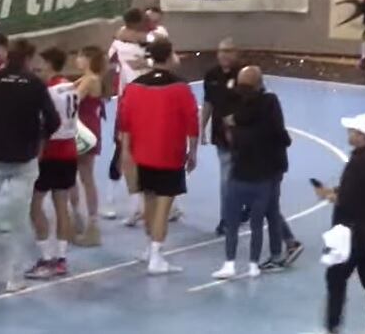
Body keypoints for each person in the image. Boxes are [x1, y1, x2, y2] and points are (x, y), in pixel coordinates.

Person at [0, 39, 61, 292]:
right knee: (19, 219)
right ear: (29, 59)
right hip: (24, 158)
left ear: (6, 56)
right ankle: (14, 278)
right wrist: (37, 137)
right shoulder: (35, 84)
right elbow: (53, 120)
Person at [116, 38, 199, 275]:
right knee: (164, 205)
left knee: (149, 203)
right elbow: (192, 123)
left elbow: (125, 124)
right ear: (170, 55)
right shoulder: (181, 87)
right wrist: (192, 152)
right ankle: (156, 257)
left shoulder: (134, 87)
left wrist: (126, 153)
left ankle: (149, 249)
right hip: (169, 155)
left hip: (141, 155)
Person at [212, 66, 292, 279]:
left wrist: (233, 125)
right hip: (269, 166)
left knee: (270, 211)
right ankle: (279, 251)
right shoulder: (267, 104)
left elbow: (239, 130)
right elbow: (280, 135)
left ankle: (277, 254)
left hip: (264, 169)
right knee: (270, 211)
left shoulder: (250, 109)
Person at [314, 113, 365, 334]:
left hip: (353, 234)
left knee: (336, 277)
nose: (349, 134)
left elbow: (348, 199)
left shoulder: (361, 163)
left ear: (363, 136)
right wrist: (334, 192)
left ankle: (333, 326)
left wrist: (329, 195)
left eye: (353, 131)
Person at [26, 48, 81, 280]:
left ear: (49, 65)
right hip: (70, 150)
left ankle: (46, 258)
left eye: (41, 66)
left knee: (34, 205)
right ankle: (61, 259)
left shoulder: (47, 92)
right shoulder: (72, 88)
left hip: (49, 153)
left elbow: (43, 124)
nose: (39, 70)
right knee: (61, 205)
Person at [105, 9, 150, 223]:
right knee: (124, 149)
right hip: (134, 101)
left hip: (140, 101)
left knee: (134, 151)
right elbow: (109, 66)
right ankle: (119, 202)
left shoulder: (149, 41)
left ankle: (133, 204)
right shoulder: (123, 43)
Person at [201, 38, 242, 235]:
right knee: (226, 178)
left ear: (236, 53)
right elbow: (208, 103)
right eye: (220, 51)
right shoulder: (211, 75)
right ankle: (227, 218)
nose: (223, 55)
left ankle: (243, 208)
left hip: (244, 136)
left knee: (243, 176)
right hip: (221, 136)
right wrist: (201, 128)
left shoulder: (245, 74)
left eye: (228, 51)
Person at [70, 46, 107, 247]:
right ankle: (81, 220)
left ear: (88, 59)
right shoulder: (88, 78)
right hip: (88, 128)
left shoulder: (90, 80)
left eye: (79, 56)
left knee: (81, 176)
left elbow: (72, 100)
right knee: (83, 176)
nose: (77, 60)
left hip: (83, 131)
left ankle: (86, 222)